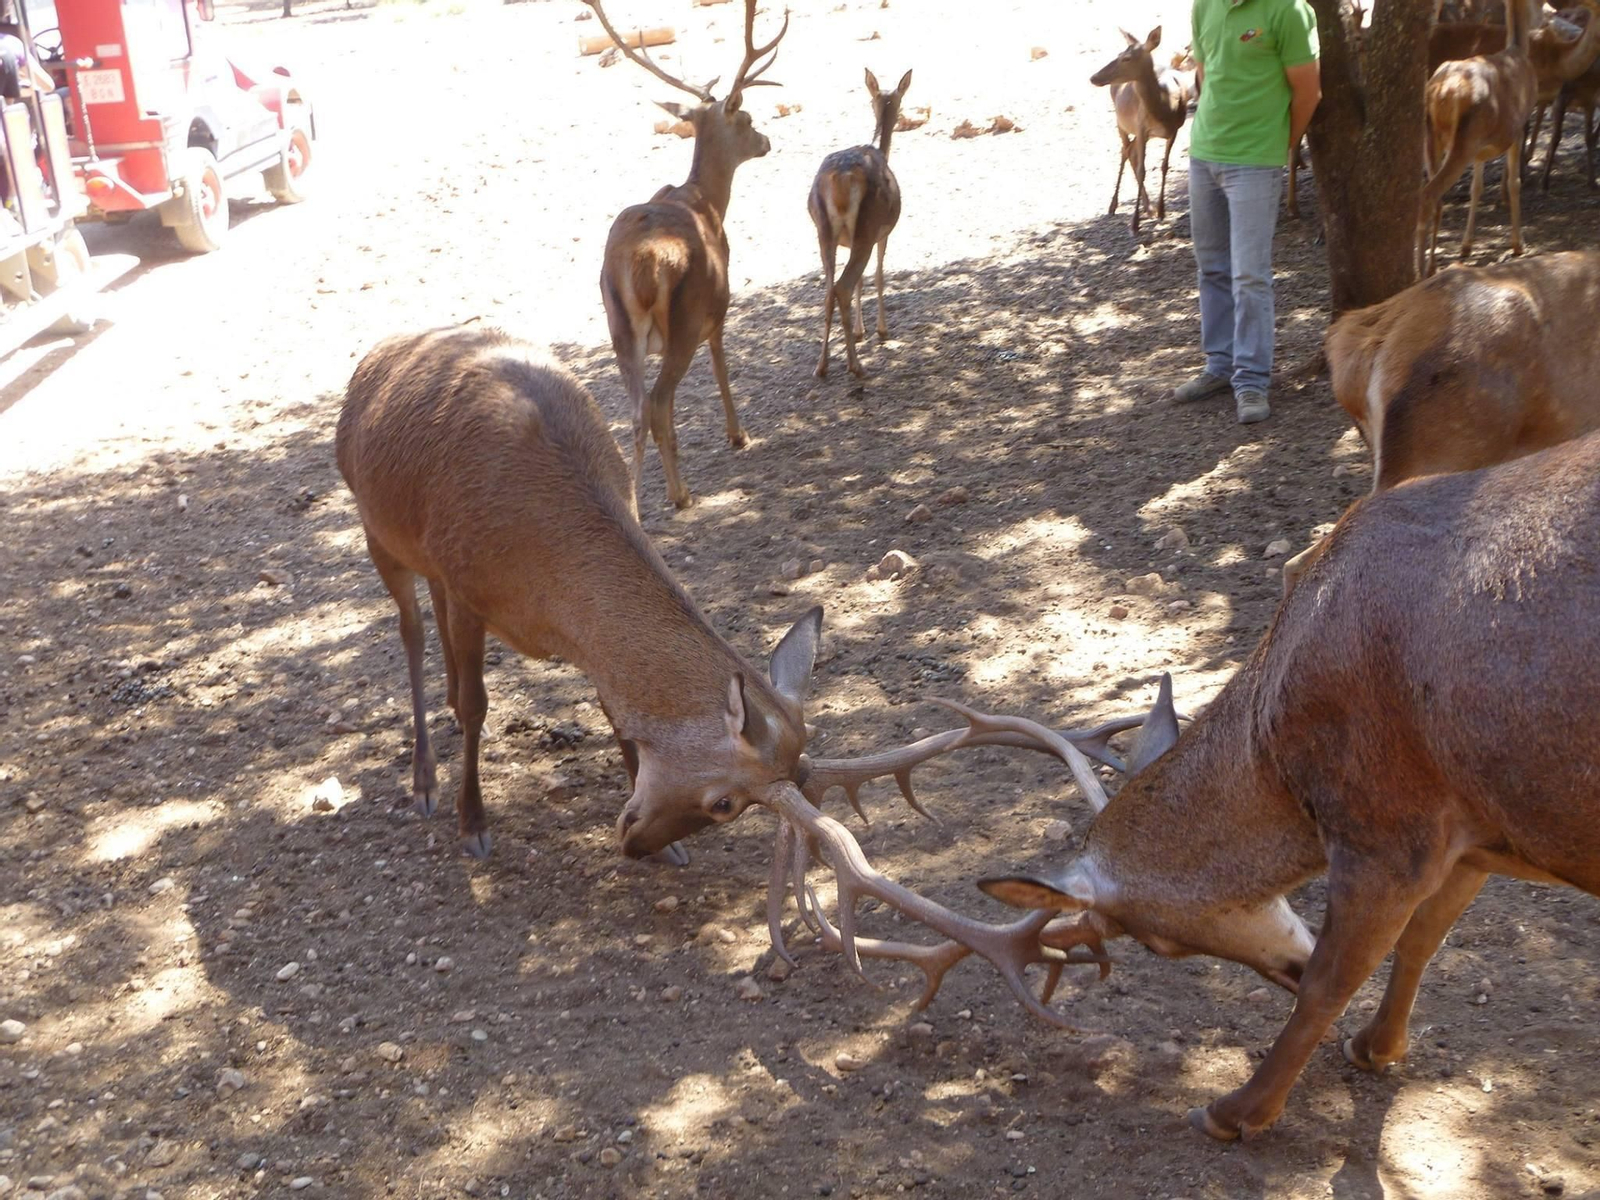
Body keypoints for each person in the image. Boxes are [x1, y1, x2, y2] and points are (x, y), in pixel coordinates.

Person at [1176, 0, 1321, 424]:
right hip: (1204, 154)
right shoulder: (1205, 6)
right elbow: (1204, 73)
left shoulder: (1289, 10)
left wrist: (1279, 146)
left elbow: (1308, 91)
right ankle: (1219, 367)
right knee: (1212, 267)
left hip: (1255, 161)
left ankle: (1252, 381)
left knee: (1250, 275)